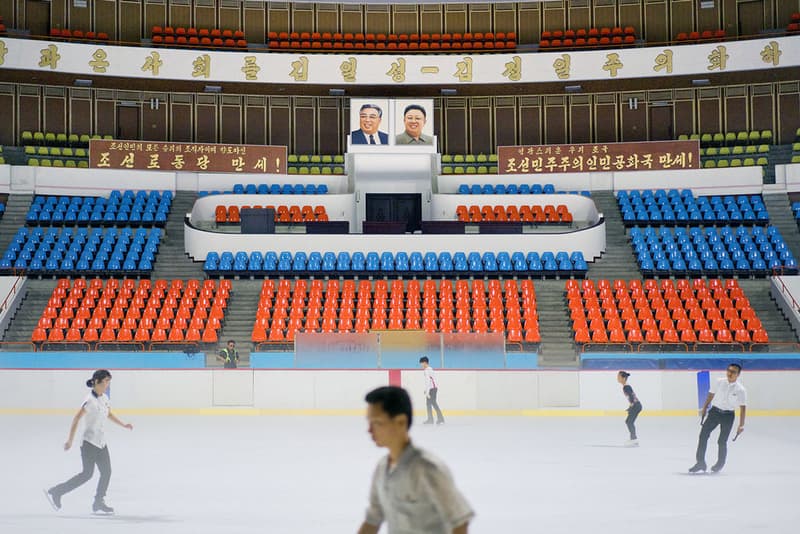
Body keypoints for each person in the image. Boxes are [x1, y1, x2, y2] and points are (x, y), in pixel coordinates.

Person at [357, 386, 474, 534]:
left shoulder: (427, 469)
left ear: (401, 422)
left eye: (377, 423)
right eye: (369, 422)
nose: (369, 430)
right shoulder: (381, 469)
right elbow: (372, 520)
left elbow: (459, 522)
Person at [44, 369, 133, 514]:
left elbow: (108, 413)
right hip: (89, 444)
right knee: (87, 474)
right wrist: (70, 440)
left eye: (109, 382)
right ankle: (57, 491)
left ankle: (98, 502)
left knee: (106, 472)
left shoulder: (104, 398)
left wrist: (123, 424)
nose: (108, 385)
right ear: (97, 382)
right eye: (106, 382)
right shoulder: (89, 401)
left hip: (101, 443)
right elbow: (76, 419)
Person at [689, 363, 747, 473]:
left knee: (722, 441)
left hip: (728, 416)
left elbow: (743, 408)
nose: (730, 373)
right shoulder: (719, 382)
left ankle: (720, 463)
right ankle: (700, 462)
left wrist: (741, 425)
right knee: (703, 435)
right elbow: (710, 395)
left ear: (738, 374)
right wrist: (705, 408)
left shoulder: (741, 390)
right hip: (714, 412)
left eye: (733, 372)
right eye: (728, 370)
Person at [617, 371, 642, 446]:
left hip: (636, 406)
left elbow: (631, 396)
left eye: (619, 377)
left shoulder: (626, 387)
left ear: (623, 378)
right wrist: (630, 406)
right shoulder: (626, 386)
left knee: (629, 422)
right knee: (629, 421)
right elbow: (631, 397)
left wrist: (631, 406)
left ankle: (634, 439)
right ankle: (634, 439)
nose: (617, 378)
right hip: (636, 405)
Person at [420, 356, 444, 425]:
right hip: (432, 388)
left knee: (433, 403)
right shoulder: (430, 369)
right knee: (429, 404)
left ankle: (440, 419)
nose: (421, 365)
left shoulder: (427, 370)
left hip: (432, 389)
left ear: (424, 363)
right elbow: (431, 381)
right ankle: (431, 419)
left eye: (421, 364)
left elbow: (428, 381)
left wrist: (427, 391)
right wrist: (426, 390)